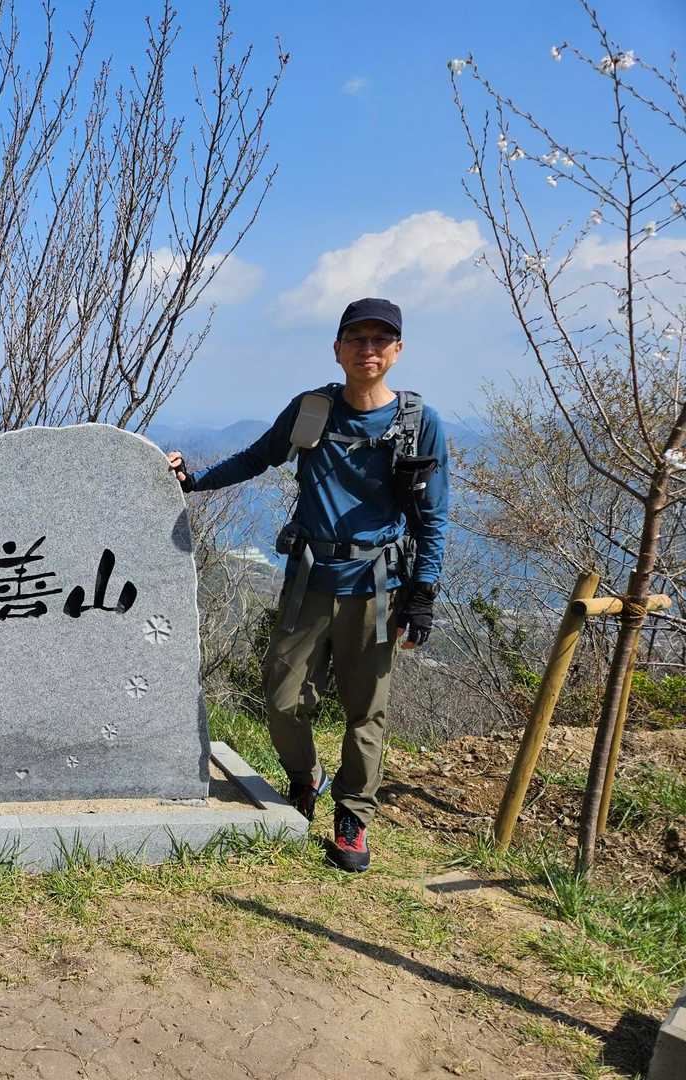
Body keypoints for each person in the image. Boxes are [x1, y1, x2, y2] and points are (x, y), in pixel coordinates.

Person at [167, 298, 448, 873]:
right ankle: (305, 776)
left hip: (377, 586)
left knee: (366, 711)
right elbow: (258, 457)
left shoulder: (420, 423)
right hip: (309, 580)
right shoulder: (312, 410)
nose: (368, 349)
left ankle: (353, 814)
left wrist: (422, 594)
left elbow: (434, 516)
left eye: (380, 340)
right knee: (282, 700)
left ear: (398, 351)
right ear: (337, 349)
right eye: (357, 339)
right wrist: (193, 482)